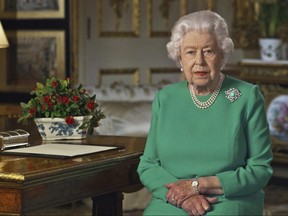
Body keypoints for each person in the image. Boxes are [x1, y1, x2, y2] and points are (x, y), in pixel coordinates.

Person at [137, 10, 273, 215]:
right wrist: (184, 197)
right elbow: (148, 165)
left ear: (222, 55)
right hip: (174, 200)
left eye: (208, 51)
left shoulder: (246, 97)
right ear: (180, 59)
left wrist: (198, 185)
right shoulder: (165, 99)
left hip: (229, 199)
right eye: (190, 52)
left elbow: (261, 169)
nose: (199, 61)